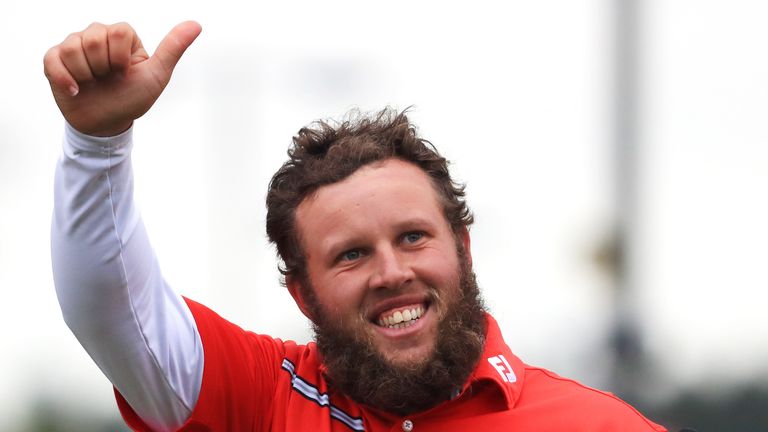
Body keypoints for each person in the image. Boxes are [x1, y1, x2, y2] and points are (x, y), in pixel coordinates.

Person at [46, 21, 668, 432]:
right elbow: (112, 310)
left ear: (464, 248)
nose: (392, 273)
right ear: (303, 293)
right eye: (350, 255)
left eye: (413, 237)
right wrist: (96, 143)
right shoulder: (263, 396)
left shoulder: (599, 423)